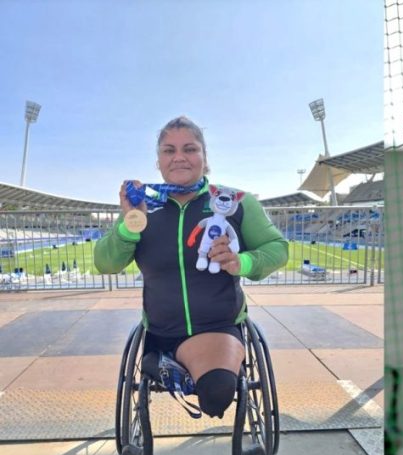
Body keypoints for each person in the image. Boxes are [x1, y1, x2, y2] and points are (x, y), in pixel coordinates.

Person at [95, 116, 289, 419]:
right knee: (208, 386)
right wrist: (130, 224)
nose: (179, 157)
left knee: (216, 396)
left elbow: (277, 249)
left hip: (218, 326)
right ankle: (163, 361)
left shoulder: (234, 202)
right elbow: (105, 263)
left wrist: (242, 262)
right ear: (158, 160)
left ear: (204, 157)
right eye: (169, 150)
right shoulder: (144, 207)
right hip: (161, 329)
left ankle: (177, 368)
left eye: (190, 149)